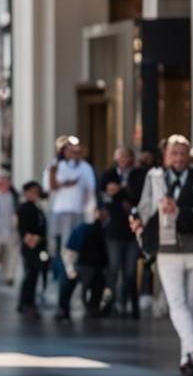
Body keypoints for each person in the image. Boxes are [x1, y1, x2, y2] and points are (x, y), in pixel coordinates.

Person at [132, 134, 193, 374]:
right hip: (167, 249)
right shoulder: (155, 178)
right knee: (177, 303)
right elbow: (143, 207)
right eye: (174, 153)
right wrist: (138, 222)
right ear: (166, 155)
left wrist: (181, 212)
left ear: (189, 156)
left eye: (182, 154)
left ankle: (188, 356)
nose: (178, 158)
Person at [44, 136, 96, 278]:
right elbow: (49, 187)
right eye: (70, 150)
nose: (73, 153)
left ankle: (70, 274)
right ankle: (59, 276)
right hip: (60, 211)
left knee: (74, 247)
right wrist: (64, 183)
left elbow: (90, 191)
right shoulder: (55, 166)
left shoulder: (85, 168)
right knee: (58, 246)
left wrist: (90, 212)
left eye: (76, 151)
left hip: (79, 212)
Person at [100, 148, 141, 318]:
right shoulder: (109, 174)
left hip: (132, 230)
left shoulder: (138, 174)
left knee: (130, 272)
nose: (123, 159)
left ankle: (132, 305)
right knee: (113, 269)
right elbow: (105, 195)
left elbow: (137, 196)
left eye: (126, 156)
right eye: (120, 156)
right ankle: (108, 304)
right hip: (114, 230)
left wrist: (121, 192)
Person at [56, 206, 109, 321]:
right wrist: (70, 269)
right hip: (82, 264)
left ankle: (93, 307)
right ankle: (63, 309)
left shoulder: (106, 229)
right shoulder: (84, 228)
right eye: (100, 211)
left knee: (97, 285)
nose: (102, 214)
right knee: (69, 282)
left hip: (96, 266)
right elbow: (70, 251)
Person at [17, 181, 47, 317]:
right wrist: (32, 240)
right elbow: (23, 230)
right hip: (30, 246)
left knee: (34, 274)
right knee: (30, 274)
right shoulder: (25, 208)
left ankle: (28, 301)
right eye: (32, 191)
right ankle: (25, 302)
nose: (35, 194)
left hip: (38, 246)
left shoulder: (37, 208)